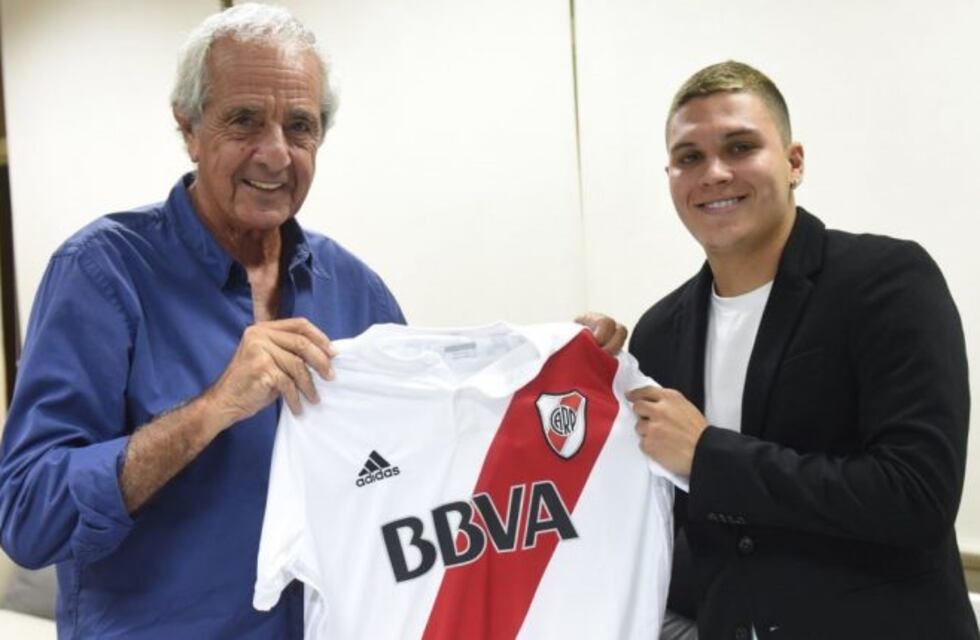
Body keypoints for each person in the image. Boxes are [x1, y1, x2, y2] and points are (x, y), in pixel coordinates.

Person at [0, 5, 624, 638]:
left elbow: (424, 478)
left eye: (300, 127)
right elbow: (28, 516)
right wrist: (212, 409)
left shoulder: (358, 292)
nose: (275, 154)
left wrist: (559, 369)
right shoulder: (102, 274)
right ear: (188, 127)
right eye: (244, 120)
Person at [628, 61, 978, 639]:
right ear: (670, 176)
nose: (714, 173)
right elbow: (673, 527)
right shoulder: (660, 330)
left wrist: (710, 456)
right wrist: (582, 367)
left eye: (739, 147)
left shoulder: (887, 282)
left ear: (794, 163)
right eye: (689, 157)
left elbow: (916, 495)